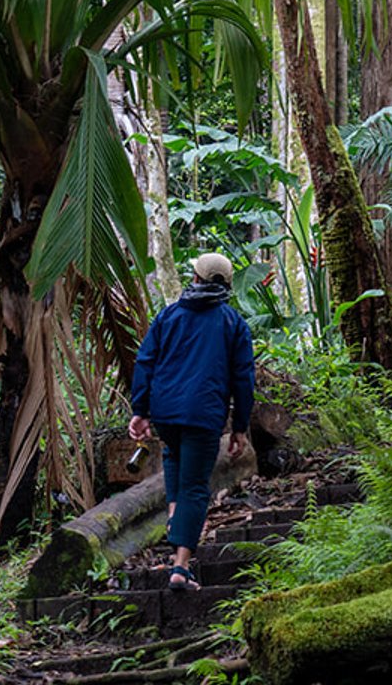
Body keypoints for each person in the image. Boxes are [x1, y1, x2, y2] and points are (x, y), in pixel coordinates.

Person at [129, 252, 255, 591]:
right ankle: (180, 569)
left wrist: (139, 410)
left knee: (174, 461)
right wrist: (240, 427)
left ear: (196, 279)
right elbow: (243, 379)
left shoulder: (169, 316)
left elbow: (145, 362)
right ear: (225, 286)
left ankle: (176, 522)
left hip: (166, 415)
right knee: (196, 488)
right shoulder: (233, 324)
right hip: (203, 416)